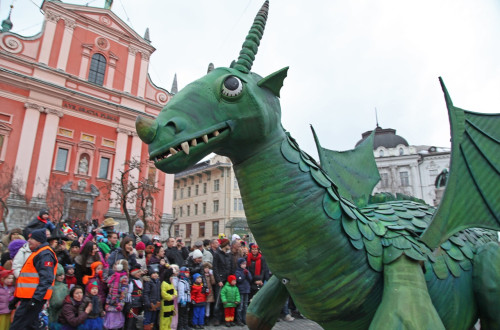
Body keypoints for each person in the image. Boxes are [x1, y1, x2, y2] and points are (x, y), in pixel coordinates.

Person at [10, 228, 58, 329]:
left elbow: (46, 279)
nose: (29, 241)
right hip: (30, 298)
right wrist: (16, 299)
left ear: (39, 240)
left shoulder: (45, 254)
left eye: (31, 238)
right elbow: (29, 280)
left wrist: (35, 300)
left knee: (19, 326)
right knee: (31, 326)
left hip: (33, 298)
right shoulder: (39, 253)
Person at [104, 259, 129, 329]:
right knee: (109, 324)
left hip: (117, 303)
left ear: (120, 266)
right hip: (110, 302)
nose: (115, 266)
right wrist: (106, 268)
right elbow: (106, 280)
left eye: (116, 264)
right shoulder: (113, 276)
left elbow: (124, 292)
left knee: (116, 324)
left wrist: (120, 304)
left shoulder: (124, 278)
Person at [212, 238, 232, 326]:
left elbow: (230, 267)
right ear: (224, 245)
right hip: (220, 280)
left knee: (226, 300)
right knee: (218, 300)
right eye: (228, 245)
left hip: (227, 280)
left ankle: (225, 318)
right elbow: (215, 268)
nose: (229, 246)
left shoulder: (228, 255)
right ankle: (216, 319)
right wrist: (218, 280)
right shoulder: (217, 254)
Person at [48, 264, 68, 329]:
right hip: (52, 312)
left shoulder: (65, 287)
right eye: (59, 275)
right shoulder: (51, 287)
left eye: (63, 275)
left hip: (62, 312)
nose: (62, 277)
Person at [143, 263, 162, 330]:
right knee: (147, 319)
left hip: (156, 304)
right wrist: (148, 303)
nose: (155, 275)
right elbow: (146, 293)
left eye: (156, 273)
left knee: (153, 320)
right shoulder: (148, 282)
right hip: (150, 304)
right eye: (153, 273)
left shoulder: (158, 282)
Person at [235, 258, 252, 326]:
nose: (244, 265)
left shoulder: (247, 271)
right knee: (240, 306)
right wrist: (244, 275)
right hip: (241, 290)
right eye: (243, 264)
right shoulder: (237, 271)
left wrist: (247, 274)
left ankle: (244, 319)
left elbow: (250, 279)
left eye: (245, 264)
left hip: (246, 289)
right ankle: (239, 319)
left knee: (245, 305)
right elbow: (239, 280)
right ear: (239, 264)